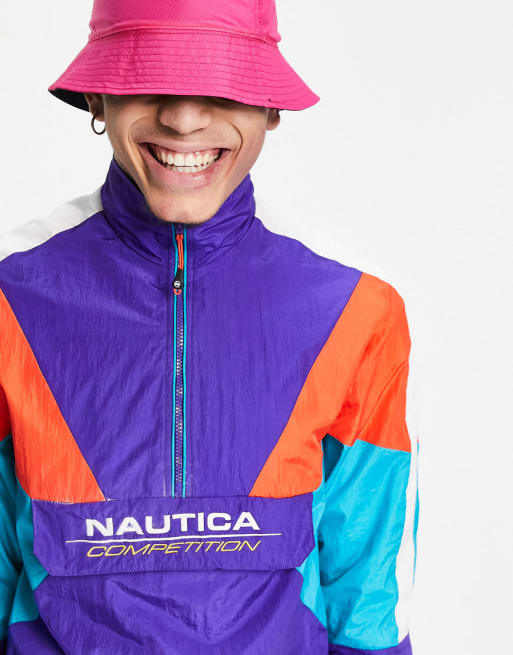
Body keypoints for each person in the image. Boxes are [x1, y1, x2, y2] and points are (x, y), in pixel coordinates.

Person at [0, 1, 419, 653]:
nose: (183, 118)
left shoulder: (354, 307)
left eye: (221, 83)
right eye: (148, 78)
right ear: (97, 98)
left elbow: (367, 591)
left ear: (270, 108)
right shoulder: (10, 297)